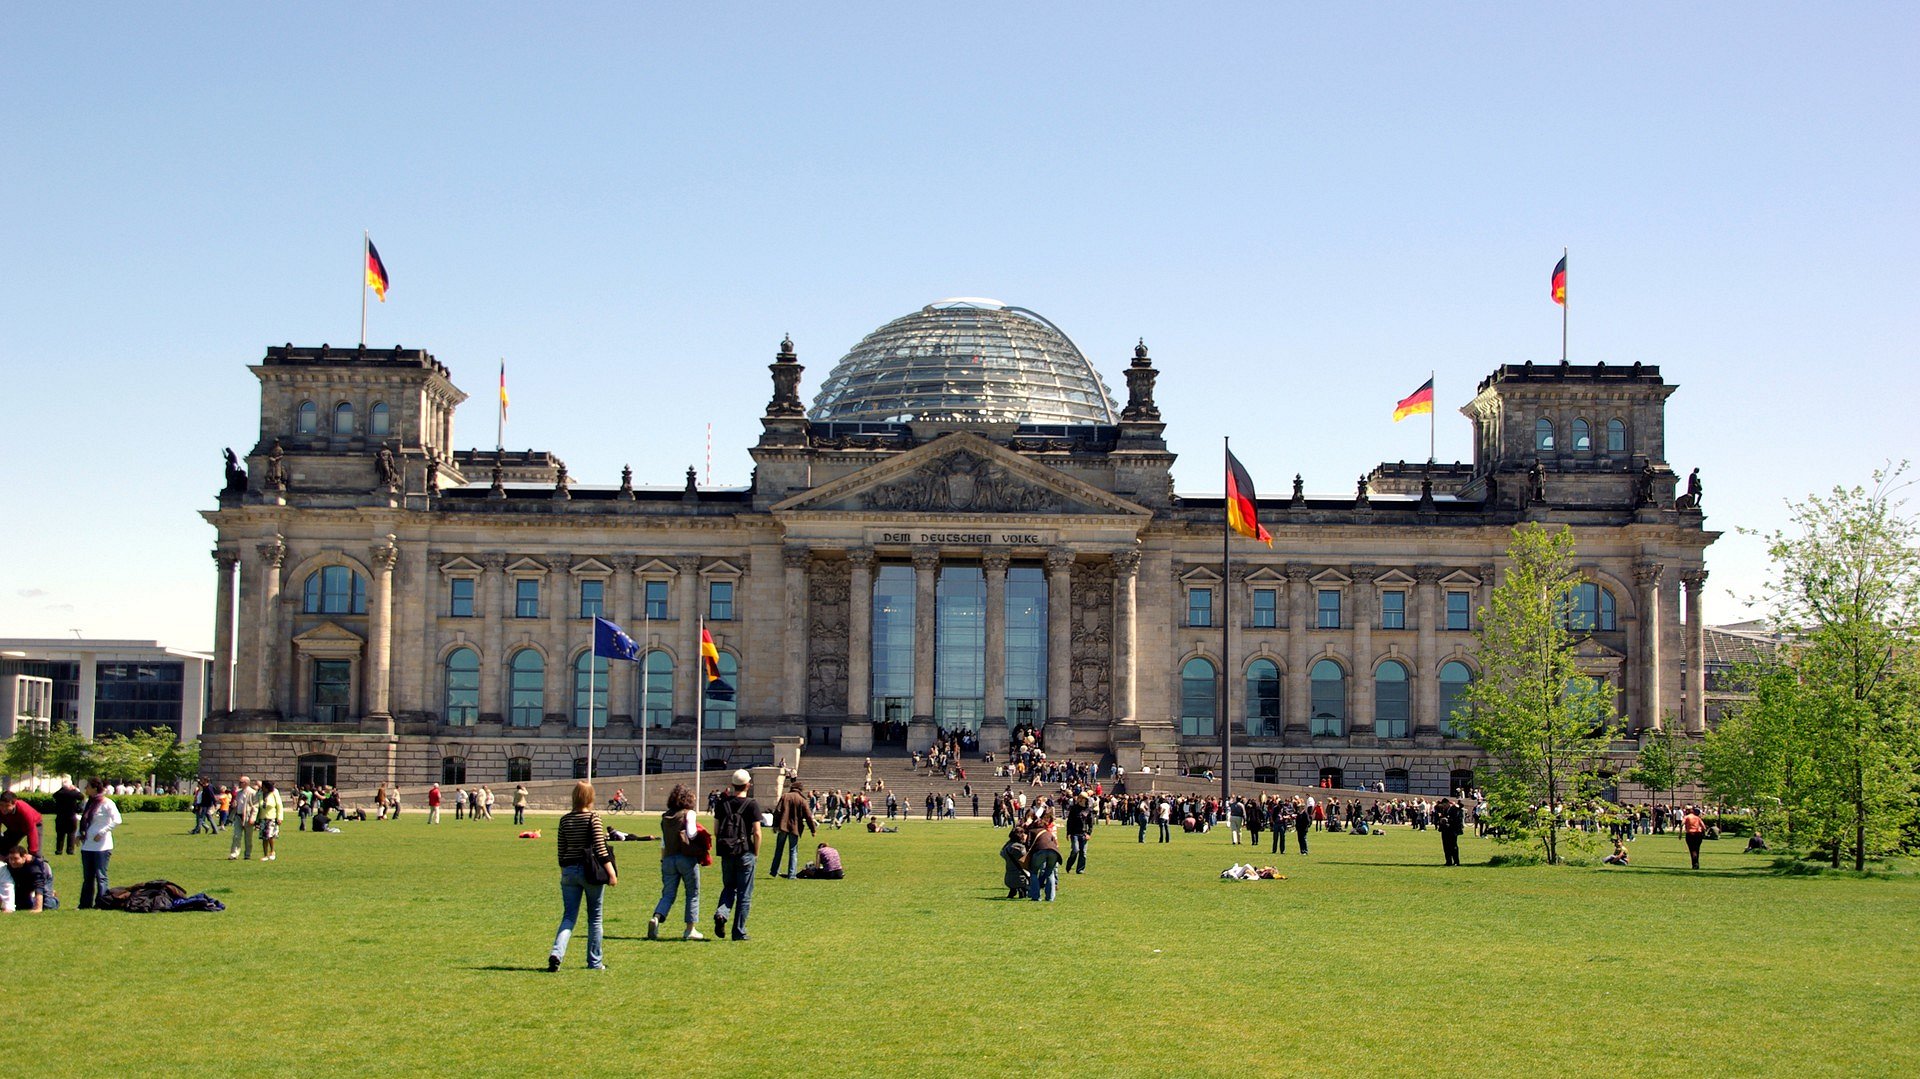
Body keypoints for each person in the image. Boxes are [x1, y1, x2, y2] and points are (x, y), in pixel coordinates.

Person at [549, 780, 617, 971]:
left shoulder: (564, 819)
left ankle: (557, 953)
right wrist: (611, 872)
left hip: (569, 871)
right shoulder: (592, 818)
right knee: (595, 918)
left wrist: (564, 870)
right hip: (590, 872)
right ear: (590, 797)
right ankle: (594, 962)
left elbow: (561, 849)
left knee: (569, 917)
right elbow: (600, 848)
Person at [647, 784, 704, 941]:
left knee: (668, 894)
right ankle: (690, 929)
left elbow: (664, 843)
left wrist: (662, 859)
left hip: (668, 858)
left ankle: (657, 917)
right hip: (686, 858)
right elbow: (691, 834)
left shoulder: (666, 817)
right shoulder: (688, 814)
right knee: (692, 893)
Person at [711, 769, 762, 941]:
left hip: (727, 852)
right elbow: (757, 833)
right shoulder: (752, 804)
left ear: (732, 785)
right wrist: (755, 852)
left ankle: (721, 913)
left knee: (728, 887)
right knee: (744, 894)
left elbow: (716, 831)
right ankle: (739, 931)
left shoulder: (721, 804)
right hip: (745, 852)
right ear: (748, 784)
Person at [77, 778, 122, 909]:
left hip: (102, 846)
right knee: (88, 878)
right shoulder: (88, 803)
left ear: (95, 788)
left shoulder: (106, 803)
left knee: (101, 876)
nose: (85, 790)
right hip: (87, 845)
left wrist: (102, 832)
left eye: (88, 787)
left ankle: (102, 903)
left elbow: (117, 820)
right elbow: (83, 820)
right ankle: (85, 904)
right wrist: (78, 834)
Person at [770, 779, 817, 880]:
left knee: (779, 849)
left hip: (783, 827)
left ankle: (774, 871)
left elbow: (777, 812)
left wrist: (775, 825)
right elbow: (808, 816)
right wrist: (813, 830)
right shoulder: (802, 800)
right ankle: (792, 874)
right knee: (793, 851)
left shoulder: (785, 796)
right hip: (794, 828)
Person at [4, 844, 56, 910]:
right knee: (22, 906)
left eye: (16, 859)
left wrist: (38, 909)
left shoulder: (34, 868)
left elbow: (39, 886)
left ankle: (53, 897)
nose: (12, 862)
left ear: (24, 857)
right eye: (10, 859)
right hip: (25, 878)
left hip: (44, 874)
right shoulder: (8, 862)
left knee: (48, 905)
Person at [1027, 811, 1062, 901]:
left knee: (1034, 872)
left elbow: (1028, 845)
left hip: (1040, 851)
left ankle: (1036, 896)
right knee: (1050, 873)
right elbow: (1054, 843)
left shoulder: (1032, 831)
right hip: (1054, 852)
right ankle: (1050, 897)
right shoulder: (1048, 832)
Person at [0, 791, 44, 858]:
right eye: (1, 805)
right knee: (2, 850)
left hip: (34, 824)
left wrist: (32, 853)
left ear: (14, 804)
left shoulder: (24, 810)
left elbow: (31, 830)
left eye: (7, 806)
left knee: (36, 854)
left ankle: (41, 866)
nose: (3, 808)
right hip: (14, 828)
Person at [52, 780, 84, 856]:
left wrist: (62, 788)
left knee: (60, 834)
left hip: (60, 816)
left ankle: (59, 850)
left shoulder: (59, 794)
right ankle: (70, 850)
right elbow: (81, 796)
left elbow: (54, 795)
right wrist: (74, 789)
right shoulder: (73, 793)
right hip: (71, 816)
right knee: (71, 834)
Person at [228, 776, 257, 860]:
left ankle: (247, 854)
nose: (239, 783)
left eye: (241, 782)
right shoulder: (238, 792)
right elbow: (237, 803)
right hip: (238, 816)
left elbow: (255, 806)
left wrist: (253, 817)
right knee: (236, 836)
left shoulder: (253, 792)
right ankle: (234, 854)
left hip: (248, 817)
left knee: (248, 837)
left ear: (246, 783)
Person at [1064, 794, 1093, 875]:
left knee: (1083, 853)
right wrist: (1068, 833)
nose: (1080, 799)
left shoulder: (1088, 810)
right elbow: (1069, 821)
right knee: (1075, 850)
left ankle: (1080, 869)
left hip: (1084, 834)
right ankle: (1069, 865)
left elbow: (1091, 823)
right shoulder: (1074, 808)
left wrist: (1089, 833)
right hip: (1075, 833)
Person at [257, 780, 284, 861]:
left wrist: (280, 817)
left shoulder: (274, 792)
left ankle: (272, 851)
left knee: (269, 836)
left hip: (272, 817)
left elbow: (279, 805)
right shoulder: (260, 794)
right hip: (262, 817)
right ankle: (265, 855)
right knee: (264, 837)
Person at [999, 827, 1029, 898]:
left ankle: (1013, 890)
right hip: (1022, 879)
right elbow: (1027, 857)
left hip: (1008, 879)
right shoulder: (1021, 848)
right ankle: (1022, 890)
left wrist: (1009, 842)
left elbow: (1001, 853)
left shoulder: (1007, 848)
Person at [1436, 797, 1465, 867]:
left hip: (1452, 830)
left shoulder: (1454, 809)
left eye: (1445, 805)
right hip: (1445, 830)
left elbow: (1456, 818)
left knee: (1453, 846)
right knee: (1446, 846)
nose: (1444, 807)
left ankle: (1456, 861)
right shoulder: (1443, 810)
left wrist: (1448, 820)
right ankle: (1448, 861)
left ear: (1448, 804)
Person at [1682, 806, 1707, 870]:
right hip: (1698, 834)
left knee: (1692, 850)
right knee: (1697, 849)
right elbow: (1704, 827)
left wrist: (1680, 833)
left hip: (1690, 834)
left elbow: (1682, 824)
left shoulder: (1686, 817)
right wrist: (1704, 833)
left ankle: (1695, 864)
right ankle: (1696, 864)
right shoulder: (1697, 818)